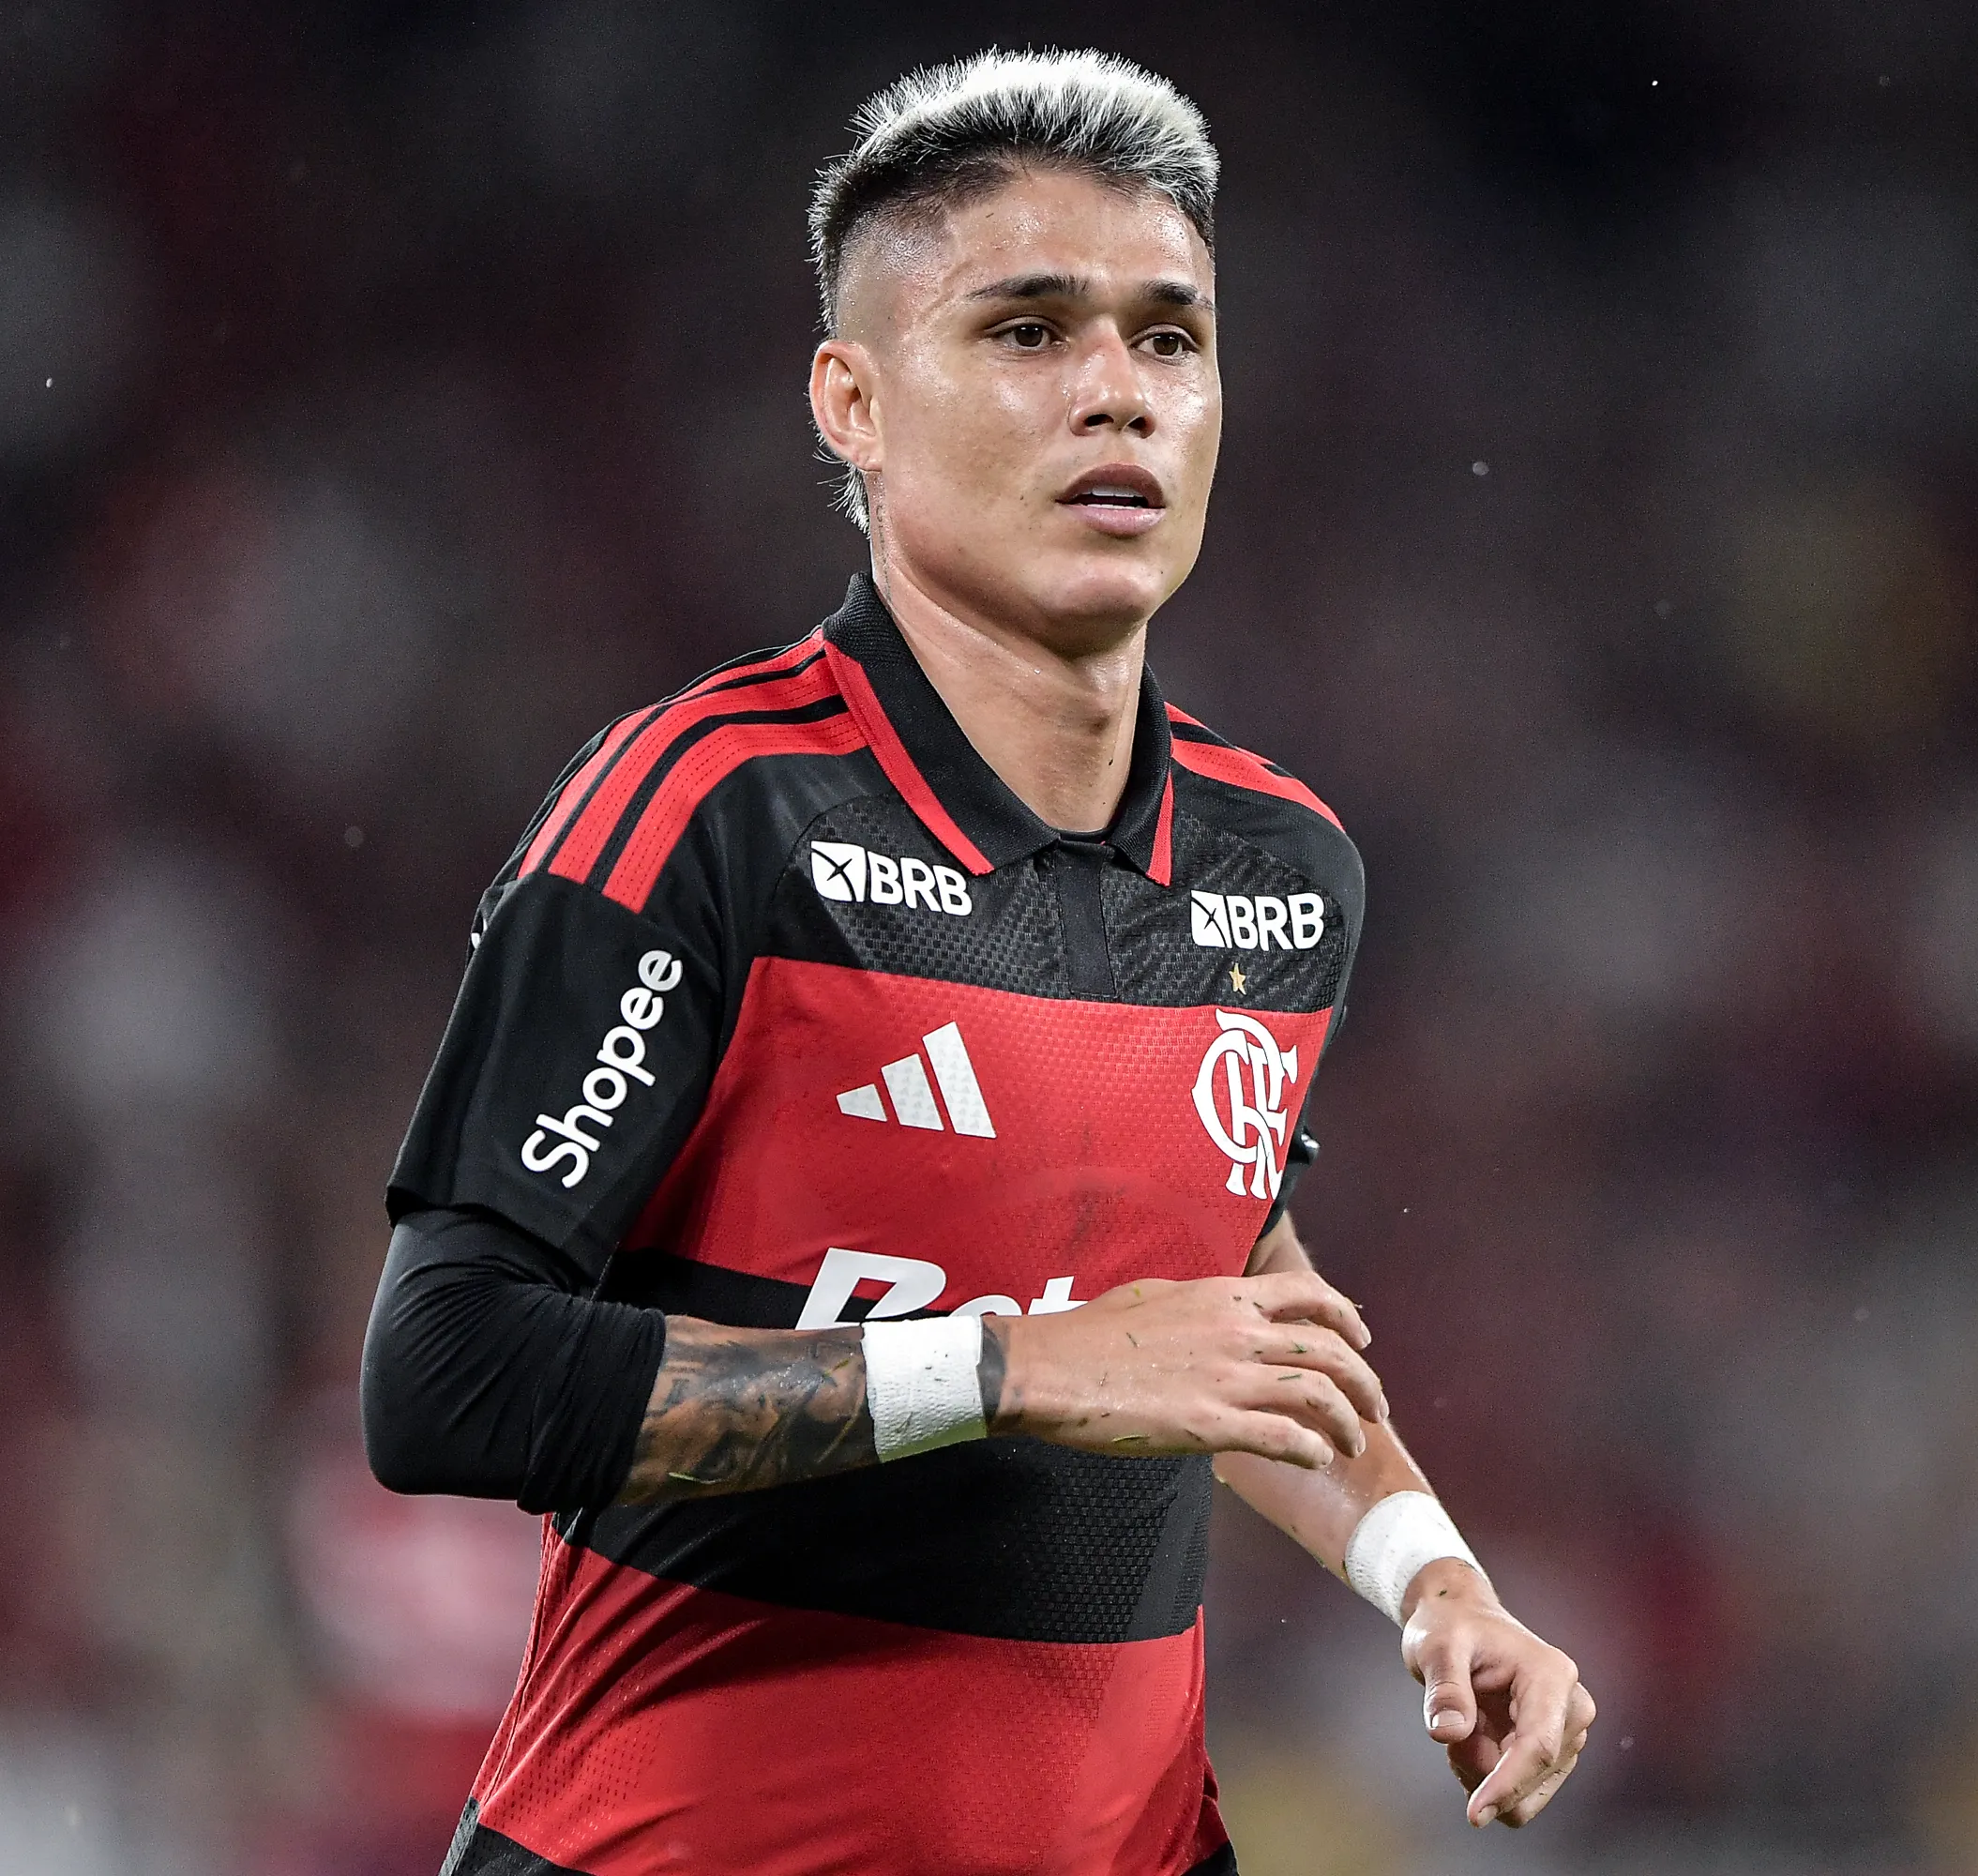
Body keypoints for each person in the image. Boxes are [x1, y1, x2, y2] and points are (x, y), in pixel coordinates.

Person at [362, 48, 1593, 1875]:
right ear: (852, 403)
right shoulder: (709, 812)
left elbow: (1208, 1268)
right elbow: (447, 1375)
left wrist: (1430, 1575)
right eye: (1028, 330)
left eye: (1169, 339)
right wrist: (1009, 1367)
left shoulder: (1283, 869)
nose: (1118, 391)